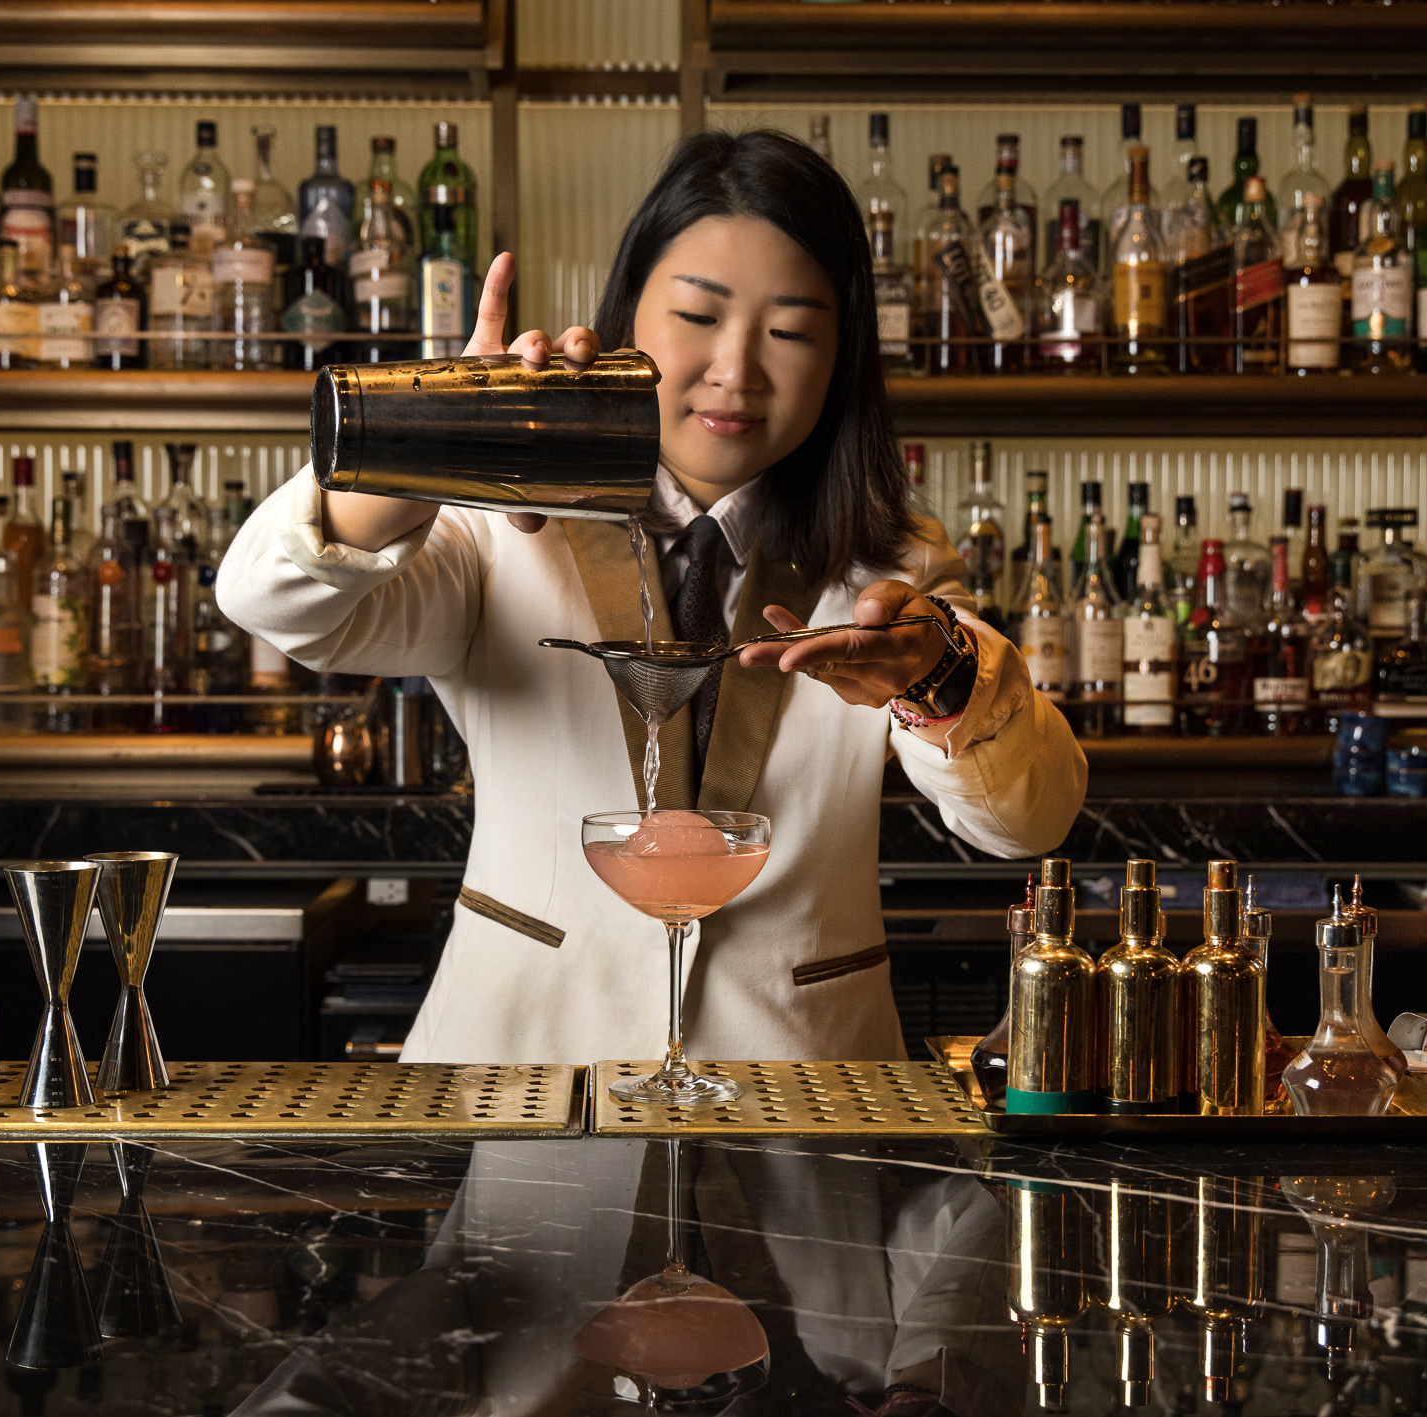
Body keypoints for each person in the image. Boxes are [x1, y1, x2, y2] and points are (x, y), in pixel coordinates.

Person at [218, 129, 1085, 1064]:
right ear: (629, 309)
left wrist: (938, 676)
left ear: (842, 360)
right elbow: (271, 600)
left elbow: (1027, 819)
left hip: (799, 1092)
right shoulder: (493, 525)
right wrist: (440, 434)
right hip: (524, 1076)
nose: (737, 369)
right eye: (700, 317)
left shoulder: (891, 562)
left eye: (790, 331)